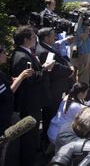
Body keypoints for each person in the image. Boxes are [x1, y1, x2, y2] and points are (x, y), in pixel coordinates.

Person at [10, 25, 54, 165]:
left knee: (33, 132)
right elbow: (31, 80)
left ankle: (32, 156)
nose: (36, 39)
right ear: (26, 40)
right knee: (29, 134)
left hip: (33, 101)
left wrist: (41, 68)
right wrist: (46, 69)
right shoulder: (21, 56)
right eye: (33, 37)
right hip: (29, 103)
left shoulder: (25, 52)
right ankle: (28, 161)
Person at [36, 27, 75, 144]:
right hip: (53, 88)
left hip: (58, 85)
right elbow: (55, 68)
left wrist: (69, 65)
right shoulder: (43, 51)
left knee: (53, 112)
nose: (55, 37)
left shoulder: (47, 47)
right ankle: (47, 140)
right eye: (53, 35)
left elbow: (61, 58)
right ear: (46, 37)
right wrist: (69, 70)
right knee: (51, 114)